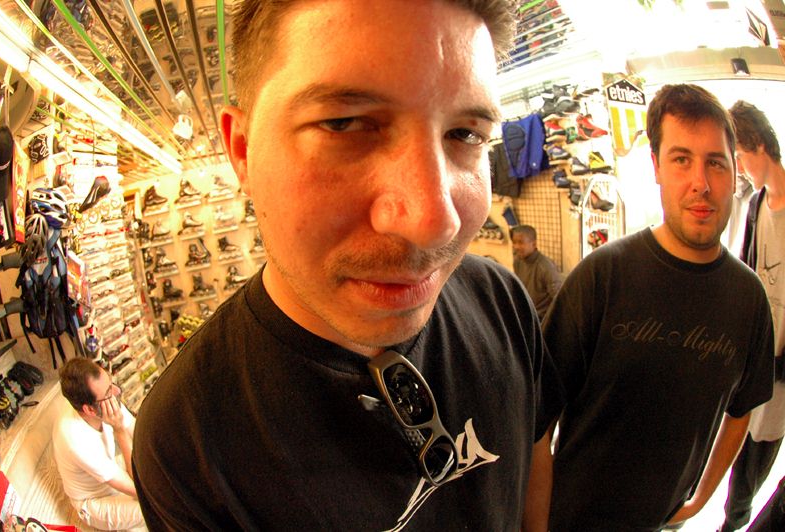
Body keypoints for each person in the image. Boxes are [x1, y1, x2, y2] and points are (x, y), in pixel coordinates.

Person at [132, 1, 559, 530]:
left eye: (465, 134)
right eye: (345, 124)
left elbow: (534, 463)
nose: (436, 222)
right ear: (242, 151)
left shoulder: (502, 301)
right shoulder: (187, 440)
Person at [535, 84, 775, 531]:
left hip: (664, 524)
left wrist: (700, 499)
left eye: (715, 163)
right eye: (682, 159)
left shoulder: (749, 299)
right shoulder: (602, 277)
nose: (701, 183)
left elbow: (742, 409)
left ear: (734, 171)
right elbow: (536, 420)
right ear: (657, 167)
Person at [718, 100, 785, 532]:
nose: (739, 168)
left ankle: (733, 524)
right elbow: (749, 267)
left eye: (740, 156)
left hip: (783, 368)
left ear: (759, 144)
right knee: (736, 442)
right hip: (759, 353)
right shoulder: (758, 203)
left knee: (758, 452)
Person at [53, 358, 145, 530]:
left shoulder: (106, 401)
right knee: (153, 508)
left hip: (111, 470)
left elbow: (142, 436)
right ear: (90, 410)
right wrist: (119, 430)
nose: (117, 391)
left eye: (111, 382)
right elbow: (140, 490)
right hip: (93, 502)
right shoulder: (76, 441)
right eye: (109, 391)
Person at [510, 224, 562, 320]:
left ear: (534, 244)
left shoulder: (546, 266)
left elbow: (559, 298)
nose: (516, 246)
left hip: (541, 319)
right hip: (525, 314)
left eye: (520, 242)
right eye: (514, 242)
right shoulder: (518, 261)